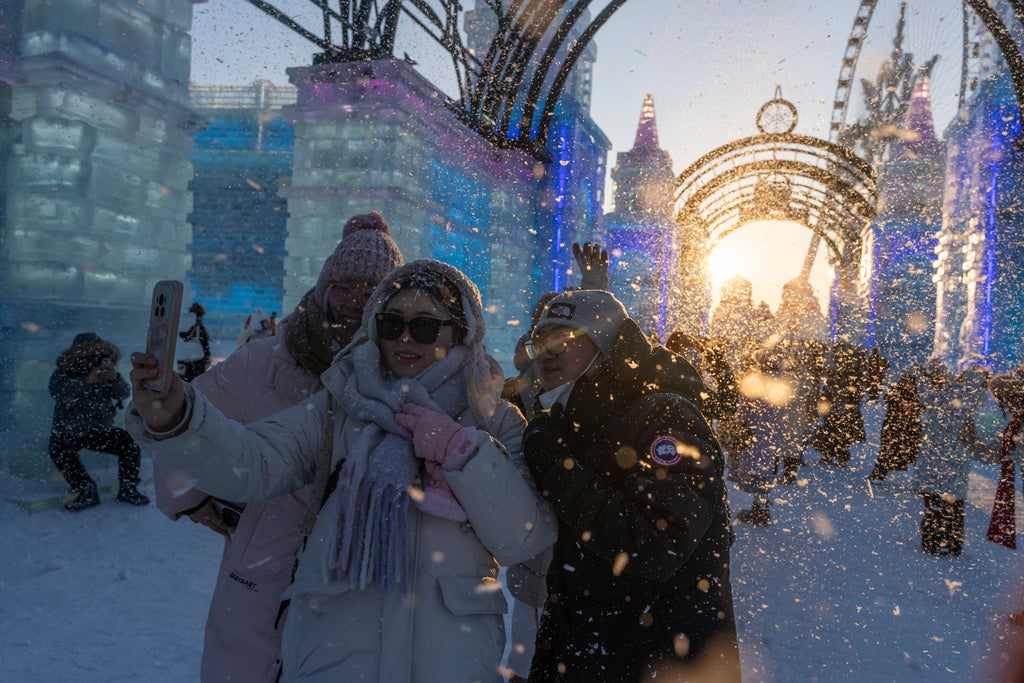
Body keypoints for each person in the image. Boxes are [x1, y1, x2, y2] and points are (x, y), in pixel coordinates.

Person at [128, 258, 557, 683]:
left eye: (425, 326)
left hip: (452, 663)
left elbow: (523, 538)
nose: (405, 339)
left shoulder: (493, 421)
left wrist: (461, 452)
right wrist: (178, 416)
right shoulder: (337, 409)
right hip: (333, 655)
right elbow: (253, 460)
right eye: (392, 323)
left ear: (460, 331)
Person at [152, 212, 404, 682]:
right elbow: (187, 419)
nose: (355, 302)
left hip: (353, 568)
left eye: (372, 292)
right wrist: (191, 497)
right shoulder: (265, 360)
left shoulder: (400, 369)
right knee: (247, 662)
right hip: (263, 559)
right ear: (325, 285)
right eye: (345, 286)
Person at [519, 289, 739, 682]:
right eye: (540, 341)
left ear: (604, 345)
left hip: (661, 657)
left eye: (564, 339)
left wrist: (557, 465)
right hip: (593, 649)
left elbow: (656, 541)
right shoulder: (573, 416)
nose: (547, 352)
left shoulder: (666, 413)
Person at [47, 332, 149, 511]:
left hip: (98, 430)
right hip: (69, 430)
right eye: (86, 354)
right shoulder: (65, 371)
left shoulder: (104, 371)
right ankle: (85, 489)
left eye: (94, 354)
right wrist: (87, 381)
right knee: (58, 448)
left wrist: (114, 378)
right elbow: (58, 392)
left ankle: (128, 488)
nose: (90, 358)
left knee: (129, 442)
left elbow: (123, 393)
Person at [914, 360, 990, 556]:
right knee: (955, 504)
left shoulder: (945, 395)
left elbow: (925, 396)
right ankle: (954, 542)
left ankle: (931, 539)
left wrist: (922, 375)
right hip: (958, 460)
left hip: (934, 456)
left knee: (933, 502)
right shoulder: (980, 404)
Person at [869, 368, 925, 481]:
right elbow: (889, 400)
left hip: (905, 427)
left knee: (909, 451)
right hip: (896, 426)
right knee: (889, 450)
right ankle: (880, 472)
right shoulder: (898, 391)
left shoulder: (915, 393)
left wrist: (911, 408)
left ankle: (919, 478)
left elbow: (921, 407)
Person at [177, 301, 212, 382]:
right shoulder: (194, 327)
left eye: (201, 315)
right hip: (193, 362)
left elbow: (205, 344)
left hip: (191, 361)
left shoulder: (185, 325)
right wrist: (207, 356)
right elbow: (205, 345)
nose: (200, 318)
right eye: (199, 315)